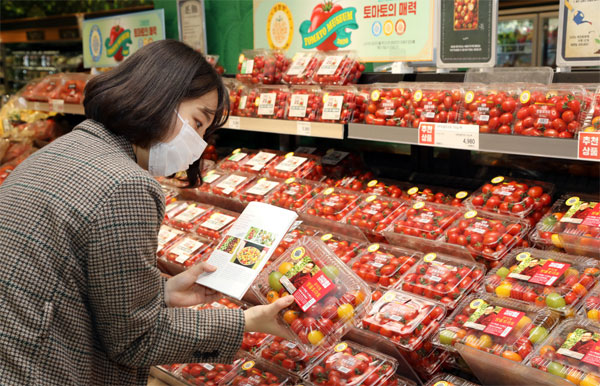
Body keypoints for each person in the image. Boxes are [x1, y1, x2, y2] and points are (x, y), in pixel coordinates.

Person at [0, 40, 294, 385]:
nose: (199, 143)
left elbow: (69, 277)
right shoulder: (127, 185)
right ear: (159, 97)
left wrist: (161, 293)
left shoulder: (62, 148)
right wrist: (249, 321)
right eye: (198, 123)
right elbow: (134, 341)